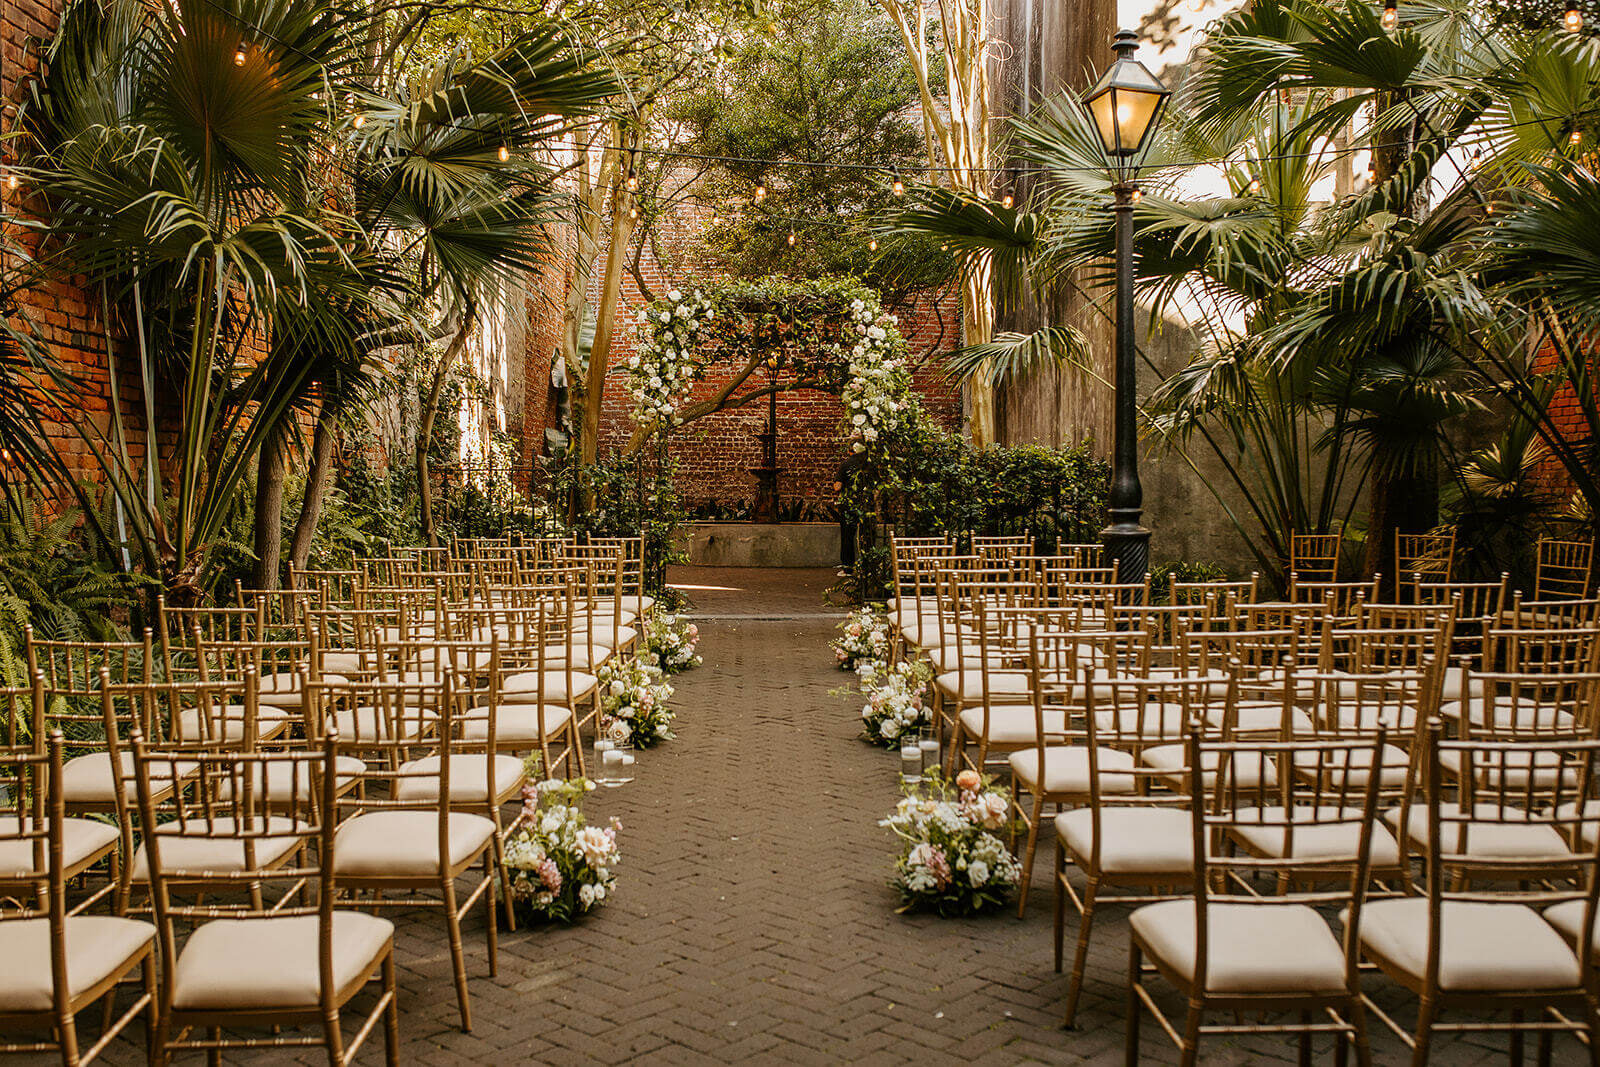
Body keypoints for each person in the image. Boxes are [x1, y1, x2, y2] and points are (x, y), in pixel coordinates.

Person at [835, 451, 868, 571]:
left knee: (847, 535)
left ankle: (848, 566)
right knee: (865, 533)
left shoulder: (845, 464)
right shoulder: (867, 465)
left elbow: (837, 486)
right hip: (864, 503)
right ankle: (867, 565)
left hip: (848, 504)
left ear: (850, 451)